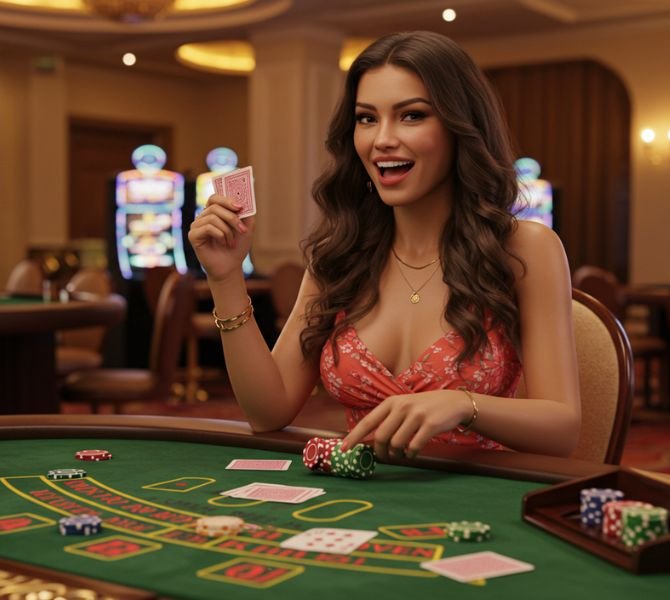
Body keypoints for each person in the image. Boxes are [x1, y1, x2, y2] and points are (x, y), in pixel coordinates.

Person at [187, 31, 580, 460]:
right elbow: (268, 411)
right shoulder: (341, 254)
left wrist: (464, 405)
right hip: (362, 505)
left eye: (411, 116)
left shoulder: (524, 248)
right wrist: (225, 279)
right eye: (367, 118)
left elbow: (561, 429)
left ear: (459, 126)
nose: (381, 140)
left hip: (479, 496)